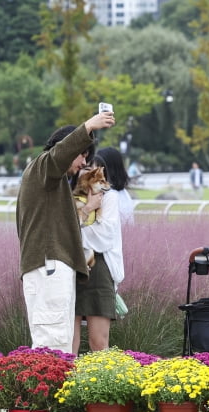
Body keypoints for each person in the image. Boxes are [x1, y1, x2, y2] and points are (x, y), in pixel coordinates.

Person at [15, 108, 116, 353]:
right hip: (50, 265)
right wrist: (89, 126)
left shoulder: (50, 181)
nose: (84, 162)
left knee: (60, 343)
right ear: (63, 150)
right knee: (53, 344)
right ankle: (49, 391)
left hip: (51, 266)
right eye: (80, 154)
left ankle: (55, 390)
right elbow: (59, 155)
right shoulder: (44, 168)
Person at [74, 146, 132, 353]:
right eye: (89, 168)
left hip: (98, 269)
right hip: (72, 267)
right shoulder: (73, 195)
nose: (92, 175)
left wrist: (77, 229)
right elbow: (65, 230)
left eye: (99, 171)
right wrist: (85, 212)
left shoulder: (110, 197)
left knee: (99, 343)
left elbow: (105, 235)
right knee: (67, 343)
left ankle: (99, 381)